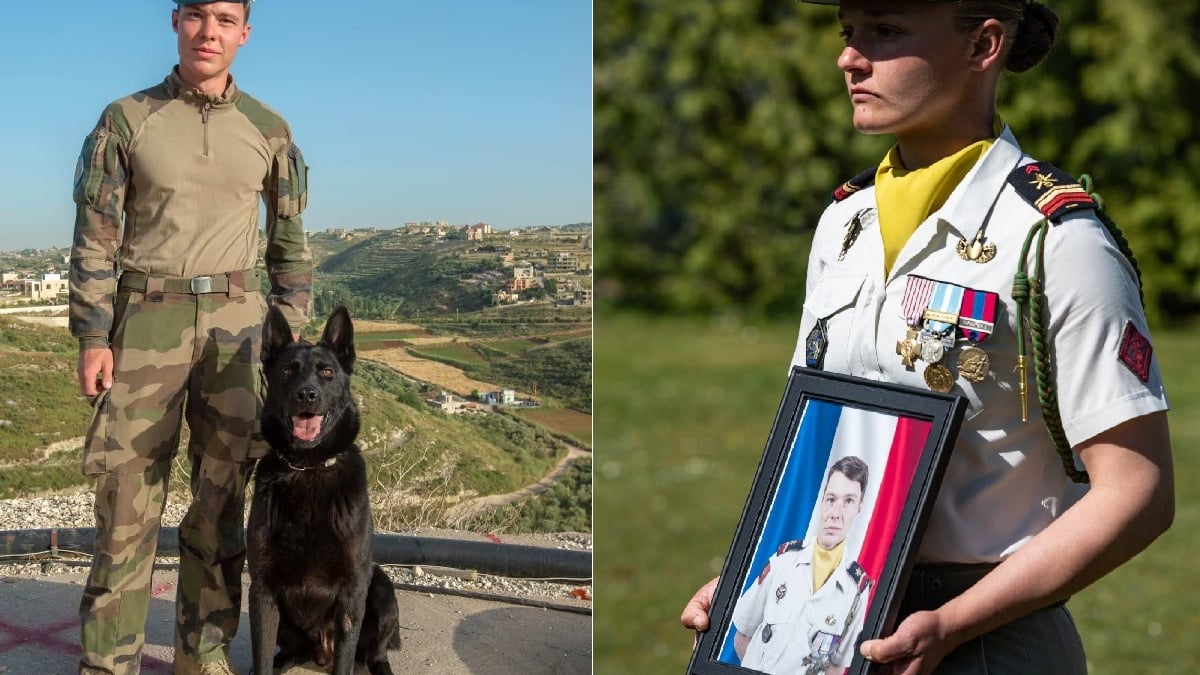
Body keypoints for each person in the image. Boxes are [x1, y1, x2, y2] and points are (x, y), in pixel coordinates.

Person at [680, 1, 1174, 674]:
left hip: (987, 639)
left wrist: (950, 624)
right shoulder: (844, 225)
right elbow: (816, 442)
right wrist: (752, 576)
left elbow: (1138, 491)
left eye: (884, 32)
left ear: (983, 46)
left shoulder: (1055, 240)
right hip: (830, 622)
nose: (849, 58)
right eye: (848, 32)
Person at [69, 1, 312, 673]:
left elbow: (289, 245)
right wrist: (92, 334)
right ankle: (106, 662)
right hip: (146, 319)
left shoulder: (270, 128)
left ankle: (202, 658)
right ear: (174, 21)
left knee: (221, 507)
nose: (211, 32)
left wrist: (292, 345)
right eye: (198, 15)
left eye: (227, 19)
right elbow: (95, 238)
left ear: (245, 34)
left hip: (239, 331)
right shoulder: (127, 119)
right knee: (125, 507)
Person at [730, 456, 873, 675]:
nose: (836, 513)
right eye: (831, 499)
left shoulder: (857, 589)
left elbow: (835, 667)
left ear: (859, 508)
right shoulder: (783, 560)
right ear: (822, 500)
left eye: (848, 501)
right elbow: (743, 635)